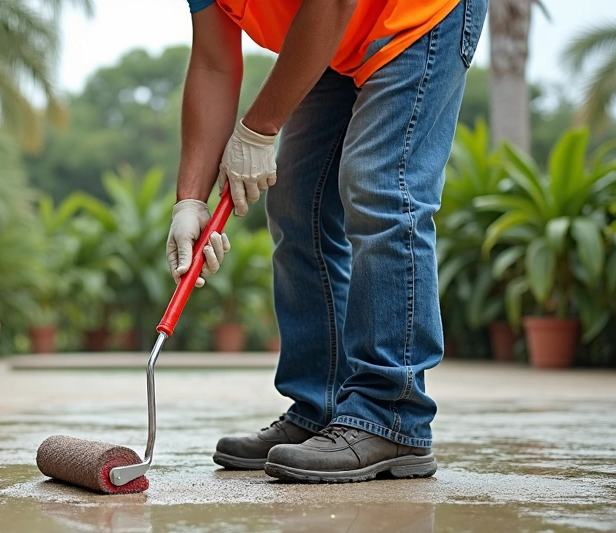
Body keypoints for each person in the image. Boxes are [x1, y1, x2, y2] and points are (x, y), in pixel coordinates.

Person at [168, 0, 486, 482]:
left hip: (417, 13)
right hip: (337, 32)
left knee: (379, 182)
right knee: (297, 196)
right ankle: (323, 405)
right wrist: (189, 202)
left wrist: (257, 129)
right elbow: (213, 62)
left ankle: (391, 414)